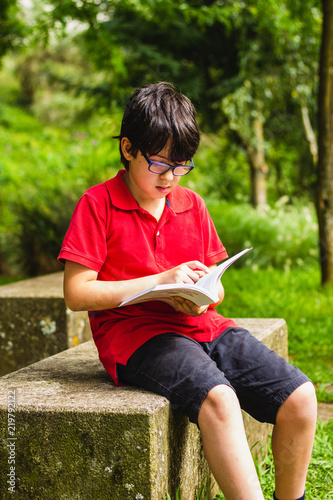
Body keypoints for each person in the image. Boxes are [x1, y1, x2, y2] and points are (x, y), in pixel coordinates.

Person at [58, 82, 317, 500]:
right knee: (220, 399)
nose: (171, 178)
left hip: (203, 326)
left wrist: (203, 295)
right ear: (128, 148)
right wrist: (159, 282)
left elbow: (215, 285)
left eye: (182, 166)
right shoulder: (98, 204)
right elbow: (77, 292)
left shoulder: (191, 204)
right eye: (160, 165)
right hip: (138, 337)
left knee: (301, 398)